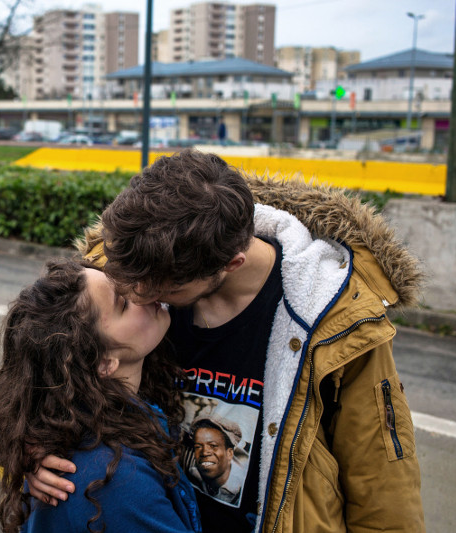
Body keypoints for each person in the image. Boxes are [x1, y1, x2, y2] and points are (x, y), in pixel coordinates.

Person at [28, 149, 425, 532]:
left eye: (161, 288)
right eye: (125, 283)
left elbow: (382, 484)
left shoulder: (335, 318)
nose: (136, 293)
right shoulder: (131, 260)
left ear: (232, 263)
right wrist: (32, 449)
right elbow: (37, 366)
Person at [0, 259, 201, 533]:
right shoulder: (116, 482)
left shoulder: (69, 429)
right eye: (124, 303)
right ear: (104, 363)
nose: (142, 291)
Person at [185, 415, 246, 507]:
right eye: (198, 446)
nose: (204, 452)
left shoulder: (240, 490)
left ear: (229, 453)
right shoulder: (194, 474)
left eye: (213, 446)